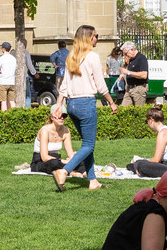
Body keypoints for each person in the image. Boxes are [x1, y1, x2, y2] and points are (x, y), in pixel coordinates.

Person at [53, 25, 116, 191]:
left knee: (87, 145)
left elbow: (64, 85)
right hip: (86, 103)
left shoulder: (71, 57)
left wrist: (59, 104)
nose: (97, 39)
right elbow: (101, 85)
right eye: (96, 36)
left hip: (71, 105)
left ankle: (93, 180)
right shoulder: (92, 57)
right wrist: (111, 101)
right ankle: (64, 171)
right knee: (89, 145)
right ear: (88, 38)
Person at [128, 106, 167, 177]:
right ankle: (137, 167)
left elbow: (156, 159)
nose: (147, 124)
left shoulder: (163, 133)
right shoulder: (165, 130)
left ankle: (138, 168)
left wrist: (142, 162)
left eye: (147, 121)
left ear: (151, 120)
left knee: (140, 165)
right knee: (132, 165)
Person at [31, 109, 73, 182]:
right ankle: (72, 171)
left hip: (56, 159)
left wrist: (74, 158)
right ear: (52, 117)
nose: (62, 118)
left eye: (64, 115)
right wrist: (63, 161)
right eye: (59, 116)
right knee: (54, 163)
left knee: (81, 158)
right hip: (40, 161)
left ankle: (68, 170)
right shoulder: (45, 130)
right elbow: (44, 157)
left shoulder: (66, 130)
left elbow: (70, 154)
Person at [121, 42, 149, 107]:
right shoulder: (130, 59)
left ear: (132, 50)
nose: (125, 55)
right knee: (124, 109)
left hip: (139, 88)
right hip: (129, 88)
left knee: (139, 110)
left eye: (125, 53)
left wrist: (128, 72)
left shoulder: (141, 58)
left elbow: (144, 75)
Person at [0, 42, 18, 111]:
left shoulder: (1, 58)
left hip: (3, 82)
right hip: (11, 82)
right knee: (12, 101)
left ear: (3, 49)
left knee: (3, 102)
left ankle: (4, 118)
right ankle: (14, 115)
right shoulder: (13, 59)